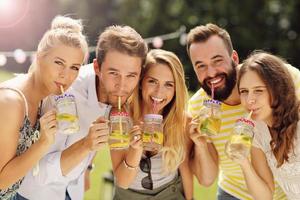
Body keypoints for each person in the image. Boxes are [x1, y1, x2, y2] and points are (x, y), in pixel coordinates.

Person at [16, 25, 148, 200]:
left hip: (73, 192)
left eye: (131, 75)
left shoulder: (123, 101)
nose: (122, 85)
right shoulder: (64, 93)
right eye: (113, 73)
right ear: (97, 68)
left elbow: (123, 179)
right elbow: (38, 171)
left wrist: (88, 167)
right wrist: (86, 145)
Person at [186, 23, 300, 200]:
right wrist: (201, 145)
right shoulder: (197, 107)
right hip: (234, 193)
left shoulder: (277, 77)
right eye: (201, 66)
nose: (211, 73)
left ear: (234, 58)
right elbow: (207, 180)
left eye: (217, 61)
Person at [0, 15, 88, 200]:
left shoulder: (44, 98)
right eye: (59, 63)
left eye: (74, 67)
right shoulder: (11, 102)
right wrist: (43, 143)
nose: (65, 75)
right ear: (40, 57)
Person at [110, 49, 194, 200]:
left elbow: (185, 166)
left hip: (170, 194)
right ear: (141, 82)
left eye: (168, 84)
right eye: (152, 81)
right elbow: (123, 181)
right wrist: (136, 149)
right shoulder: (121, 117)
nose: (159, 92)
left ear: (176, 89)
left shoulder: (182, 121)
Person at [232, 51, 300, 200]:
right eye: (244, 91)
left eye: (258, 90)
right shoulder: (255, 130)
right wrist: (243, 162)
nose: (249, 100)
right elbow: (265, 196)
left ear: (278, 89)